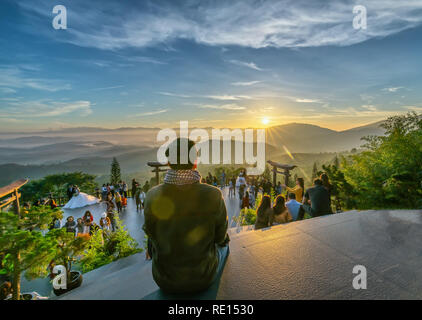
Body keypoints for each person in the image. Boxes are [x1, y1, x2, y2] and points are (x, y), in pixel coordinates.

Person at [143, 138, 229, 294]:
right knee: (225, 246)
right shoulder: (213, 194)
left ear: (169, 162)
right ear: (195, 162)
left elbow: (150, 232)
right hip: (203, 277)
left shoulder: (152, 196)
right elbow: (220, 238)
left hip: (164, 279)